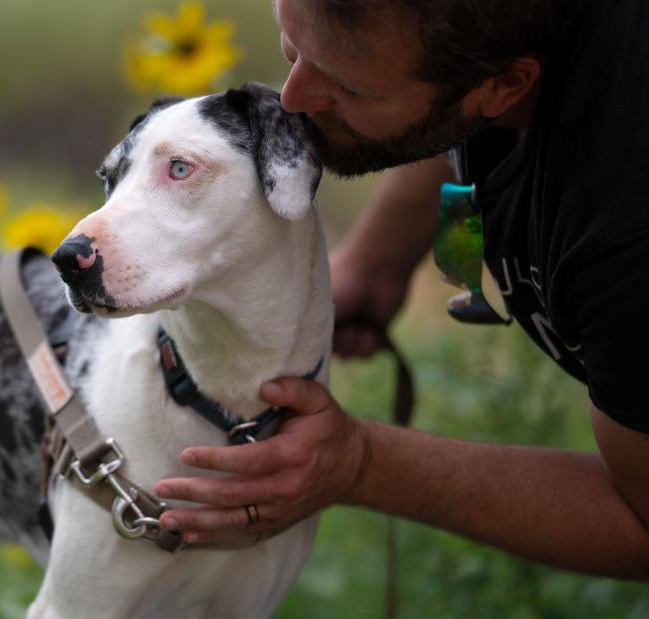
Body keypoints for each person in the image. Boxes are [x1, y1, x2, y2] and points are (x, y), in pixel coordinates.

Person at [154, 0, 649, 579]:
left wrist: (361, 464)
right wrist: (377, 262)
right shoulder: (481, 58)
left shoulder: (626, 229)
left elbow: (642, 524)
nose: (292, 98)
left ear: (505, 86)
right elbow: (445, 117)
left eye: (347, 87)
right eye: (292, 48)